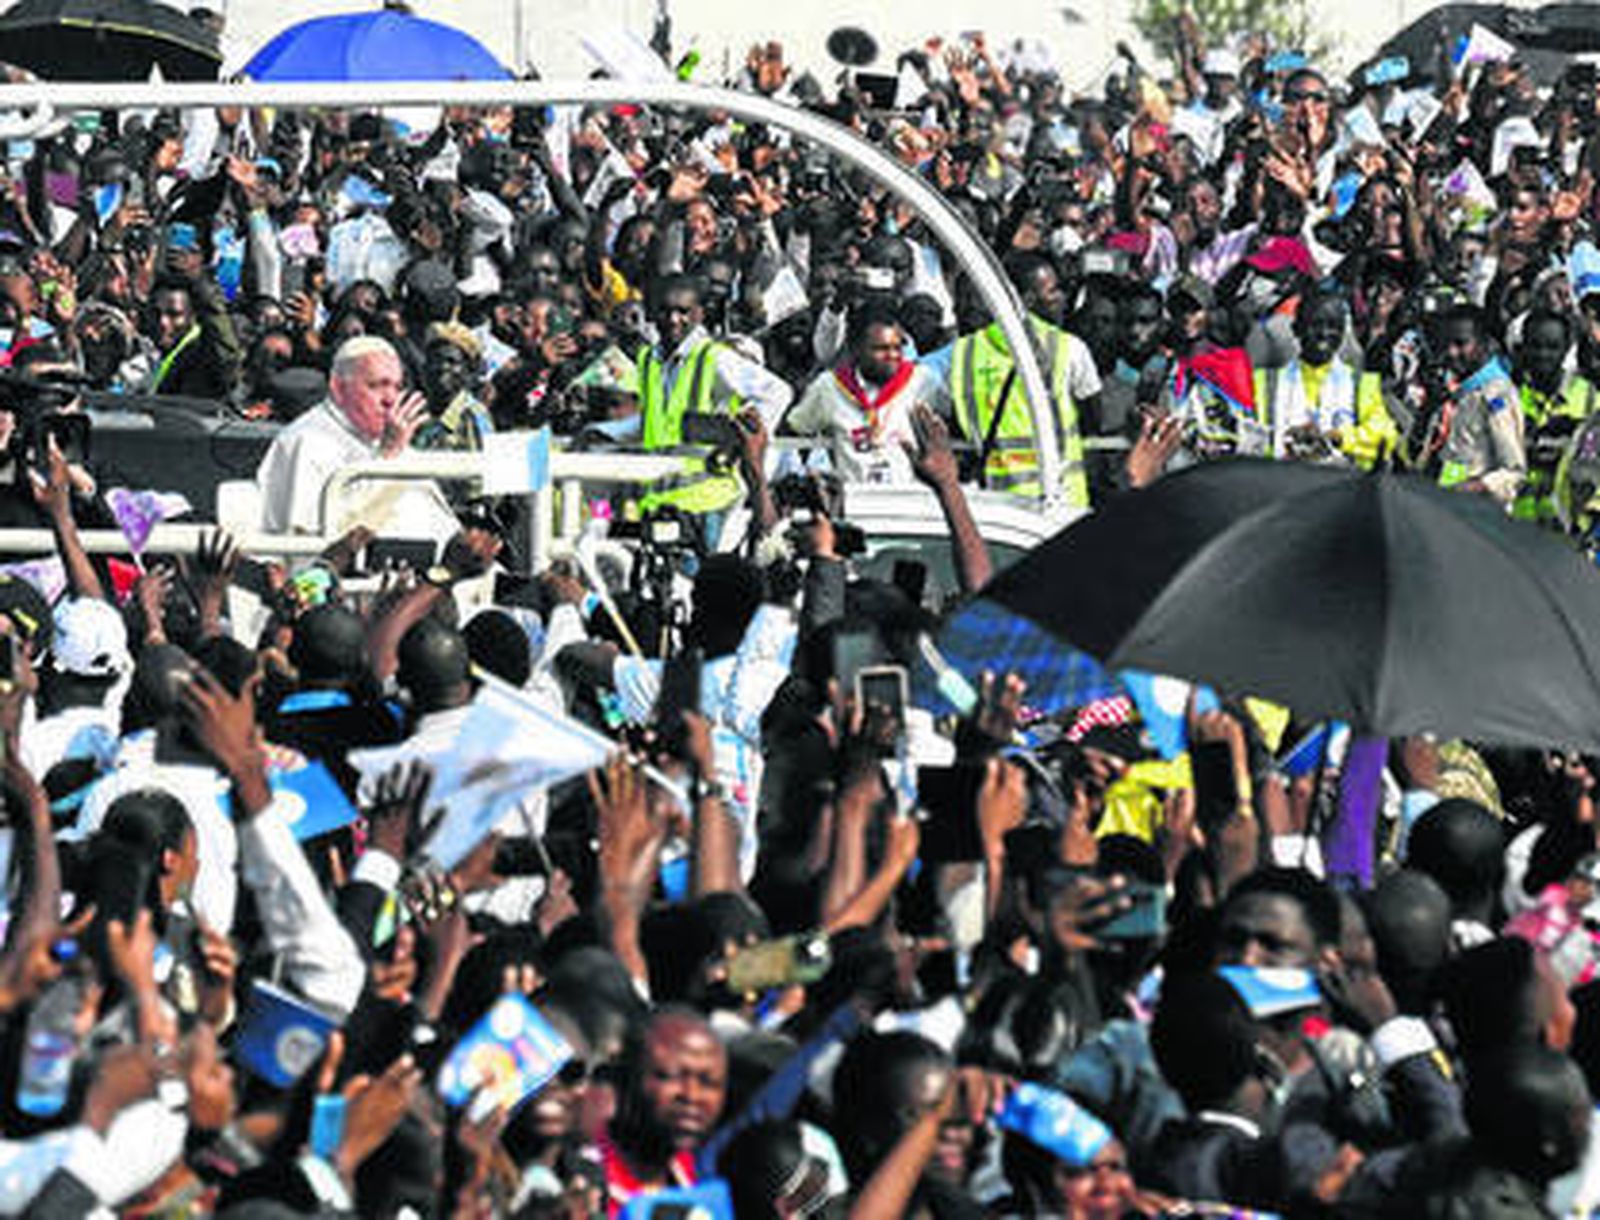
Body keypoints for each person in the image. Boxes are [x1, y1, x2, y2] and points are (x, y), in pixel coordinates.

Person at [927, 251, 1098, 505]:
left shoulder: (963, 354)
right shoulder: (1069, 348)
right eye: (1052, 292)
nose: (1061, 299)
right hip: (1062, 502)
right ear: (1027, 300)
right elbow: (1094, 418)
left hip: (996, 505)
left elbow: (940, 411)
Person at [633, 274, 792, 519]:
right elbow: (653, 421)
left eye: (683, 311)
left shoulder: (714, 357)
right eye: (665, 311)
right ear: (653, 313)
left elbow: (778, 393)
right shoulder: (647, 360)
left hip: (708, 502)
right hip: (659, 498)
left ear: (698, 314)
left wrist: (745, 438)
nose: (673, 320)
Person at [253, 335, 427, 534]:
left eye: (397, 387)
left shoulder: (395, 440)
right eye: (377, 385)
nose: (391, 399)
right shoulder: (305, 442)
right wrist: (386, 461)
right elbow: (322, 539)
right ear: (338, 388)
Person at [785, 304, 937, 485]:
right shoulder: (829, 387)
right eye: (881, 349)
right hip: (854, 501)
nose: (892, 356)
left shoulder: (921, 381)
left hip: (912, 499)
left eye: (897, 347)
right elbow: (797, 426)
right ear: (855, 349)